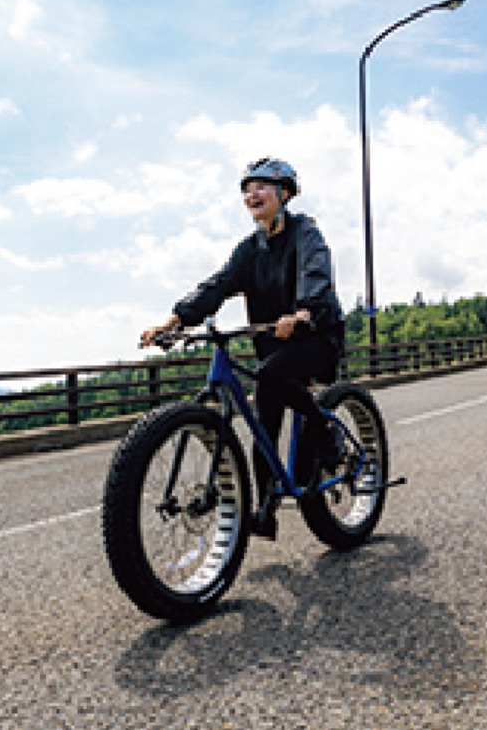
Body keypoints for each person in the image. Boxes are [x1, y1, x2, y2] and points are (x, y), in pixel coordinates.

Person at [140, 157, 346, 539]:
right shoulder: (249, 249)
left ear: (284, 194)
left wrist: (303, 310)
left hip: (316, 334)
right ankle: (264, 508)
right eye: (247, 189)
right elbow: (216, 286)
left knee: (270, 375)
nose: (253, 194)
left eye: (263, 186)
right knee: (263, 426)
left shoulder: (305, 233)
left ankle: (322, 425)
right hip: (273, 344)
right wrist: (173, 321)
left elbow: (315, 270)